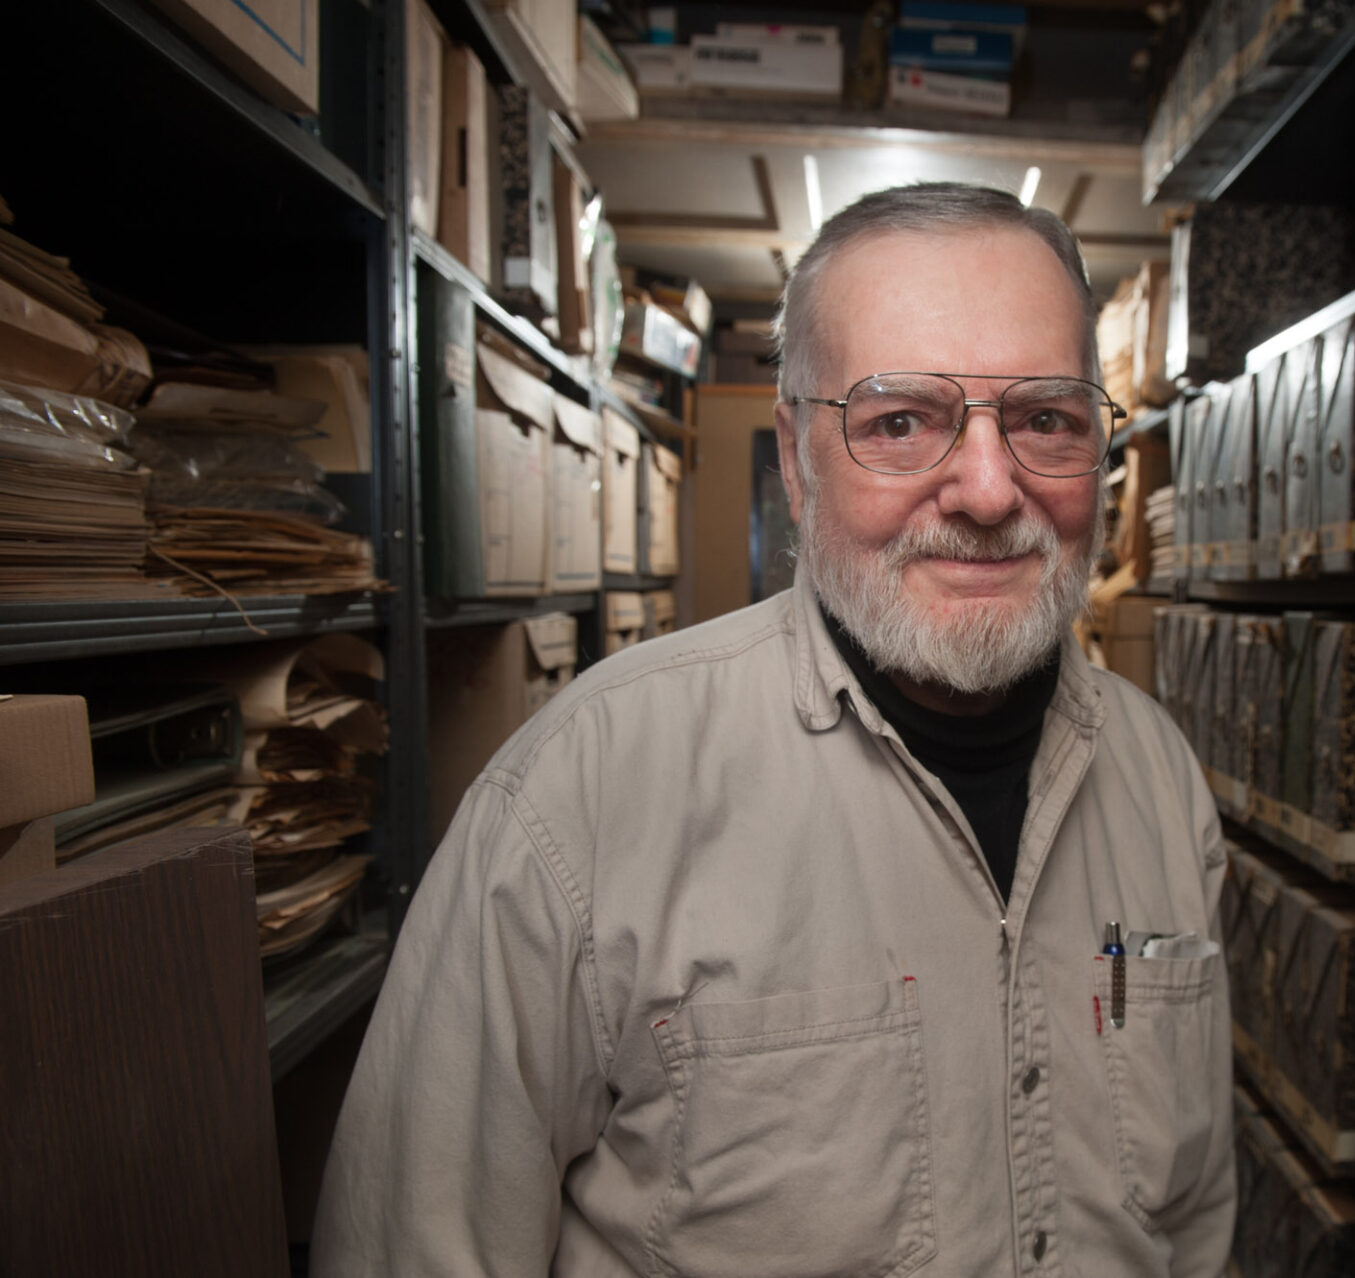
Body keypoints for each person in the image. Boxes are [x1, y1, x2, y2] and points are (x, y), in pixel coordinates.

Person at [312, 181, 1234, 1276]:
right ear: (796, 463)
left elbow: (1195, 1220)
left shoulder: (1160, 781)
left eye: (1045, 419)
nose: (989, 490)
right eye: (901, 421)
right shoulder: (580, 797)